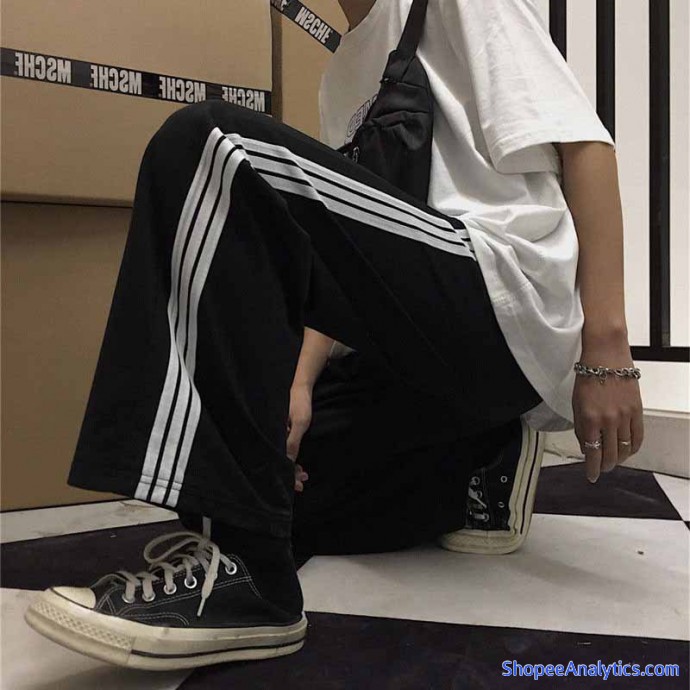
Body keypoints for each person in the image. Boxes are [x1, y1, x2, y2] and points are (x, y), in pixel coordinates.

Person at [24, 0, 644, 672]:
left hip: (500, 301)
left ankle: (254, 584)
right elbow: (340, 253)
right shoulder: (345, 70)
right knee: (270, 476)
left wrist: (607, 351)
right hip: (419, 344)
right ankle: (479, 456)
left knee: (211, 143)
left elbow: (585, 146)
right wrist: (297, 382)